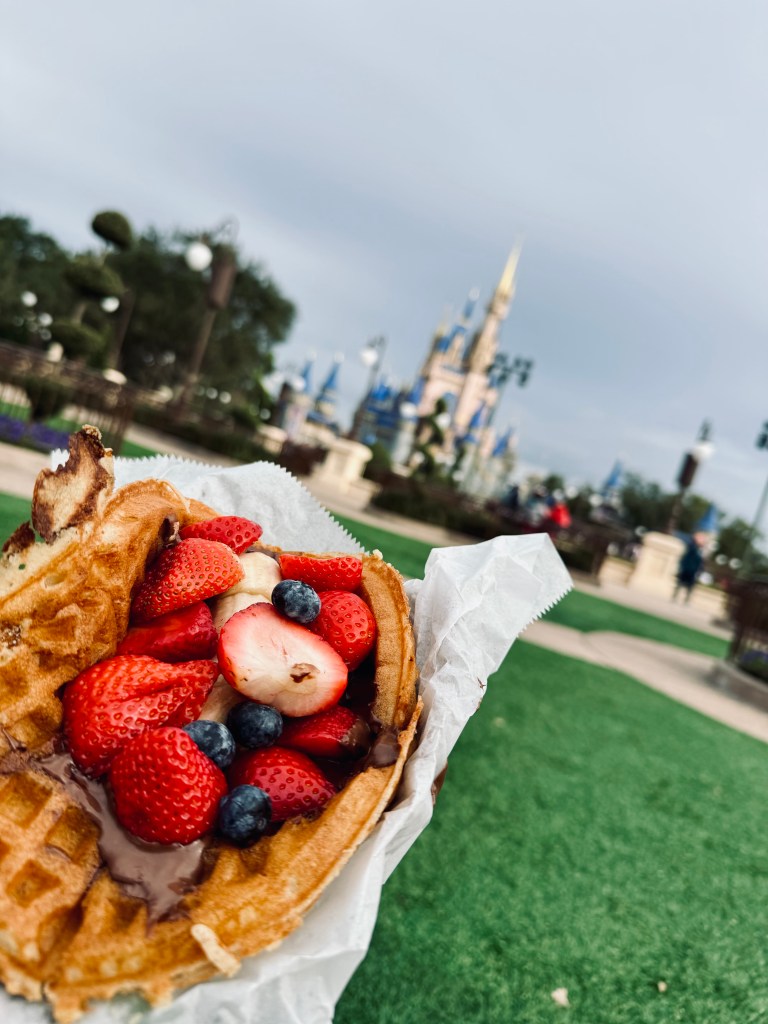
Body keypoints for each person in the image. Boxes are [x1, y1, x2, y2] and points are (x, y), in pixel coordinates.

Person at [673, 533, 705, 603]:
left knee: (689, 587)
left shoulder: (699, 551)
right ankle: (676, 597)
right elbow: (685, 559)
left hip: (692, 572)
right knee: (680, 584)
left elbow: (700, 563)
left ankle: (686, 600)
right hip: (687, 570)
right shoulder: (692, 548)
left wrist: (698, 571)